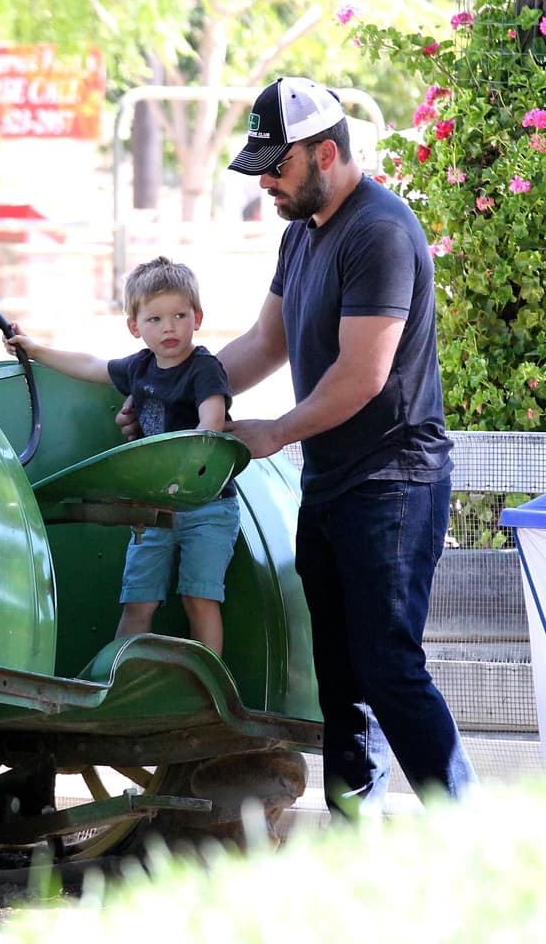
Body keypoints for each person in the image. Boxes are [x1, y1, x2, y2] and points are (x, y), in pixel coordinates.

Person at [180, 75, 474, 816]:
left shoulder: (378, 231)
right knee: (340, 671)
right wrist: (179, 390)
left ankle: (467, 831)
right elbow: (265, 341)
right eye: (261, 170)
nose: (268, 185)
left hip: (394, 482)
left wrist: (272, 434)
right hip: (333, 479)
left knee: (388, 663)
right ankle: (353, 825)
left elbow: (363, 374)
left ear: (328, 152)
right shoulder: (301, 232)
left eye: (277, 168)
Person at [5, 256, 239, 655]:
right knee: (138, 601)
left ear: (197, 318)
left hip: (206, 504)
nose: (169, 327)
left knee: (199, 598)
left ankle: (213, 686)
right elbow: (91, 365)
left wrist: (191, 457)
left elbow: (211, 424)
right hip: (153, 508)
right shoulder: (141, 367)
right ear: (135, 327)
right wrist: (37, 350)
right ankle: (119, 683)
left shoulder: (204, 369)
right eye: (155, 319)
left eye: (179, 315)